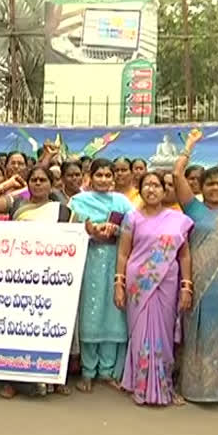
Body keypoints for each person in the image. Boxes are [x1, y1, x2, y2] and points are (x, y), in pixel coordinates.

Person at [0, 166, 74, 398]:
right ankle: (13, 381)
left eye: (43, 180)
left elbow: (73, 242)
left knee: (48, 328)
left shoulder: (63, 211)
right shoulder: (16, 205)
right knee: (16, 331)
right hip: (19, 278)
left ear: (52, 185)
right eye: (34, 180)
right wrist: (9, 183)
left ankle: (53, 378)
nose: (38, 184)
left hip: (50, 279)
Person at [173, 129, 218, 405]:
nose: (215, 189)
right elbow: (176, 175)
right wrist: (190, 145)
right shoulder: (193, 209)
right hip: (200, 284)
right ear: (201, 188)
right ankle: (193, 388)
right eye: (210, 184)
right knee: (198, 334)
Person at [115, 171, 193, 406]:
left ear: (164, 190)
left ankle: (164, 385)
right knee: (140, 335)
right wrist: (119, 284)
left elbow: (185, 254)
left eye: (156, 185)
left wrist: (186, 286)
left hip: (167, 285)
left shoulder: (177, 219)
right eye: (146, 185)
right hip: (139, 285)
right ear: (140, 190)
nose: (151, 190)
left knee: (165, 336)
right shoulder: (132, 217)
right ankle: (140, 385)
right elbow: (123, 253)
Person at [69, 159, 134, 393]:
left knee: (113, 311)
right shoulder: (78, 201)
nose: (104, 180)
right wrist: (89, 230)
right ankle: (88, 370)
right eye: (100, 175)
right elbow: (70, 226)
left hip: (115, 260)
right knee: (90, 311)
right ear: (91, 176)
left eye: (108, 176)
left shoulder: (122, 201)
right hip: (89, 260)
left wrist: (117, 231)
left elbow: (134, 228)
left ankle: (107, 371)